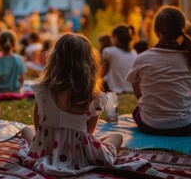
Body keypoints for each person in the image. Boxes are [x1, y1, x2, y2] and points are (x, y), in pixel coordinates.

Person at [18, 33, 147, 176]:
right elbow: (89, 133)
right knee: (118, 137)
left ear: (55, 59)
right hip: (78, 153)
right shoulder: (93, 96)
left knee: (26, 130)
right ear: (90, 63)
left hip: (46, 148)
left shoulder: (42, 90)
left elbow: (38, 126)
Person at [126, 6, 191, 136]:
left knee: (137, 110)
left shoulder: (142, 58)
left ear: (156, 32)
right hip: (184, 126)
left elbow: (138, 94)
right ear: (183, 30)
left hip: (148, 125)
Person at [102, 25, 137, 93]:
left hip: (115, 90)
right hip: (132, 89)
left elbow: (103, 72)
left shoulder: (109, 51)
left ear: (115, 37)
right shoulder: (134, 52)